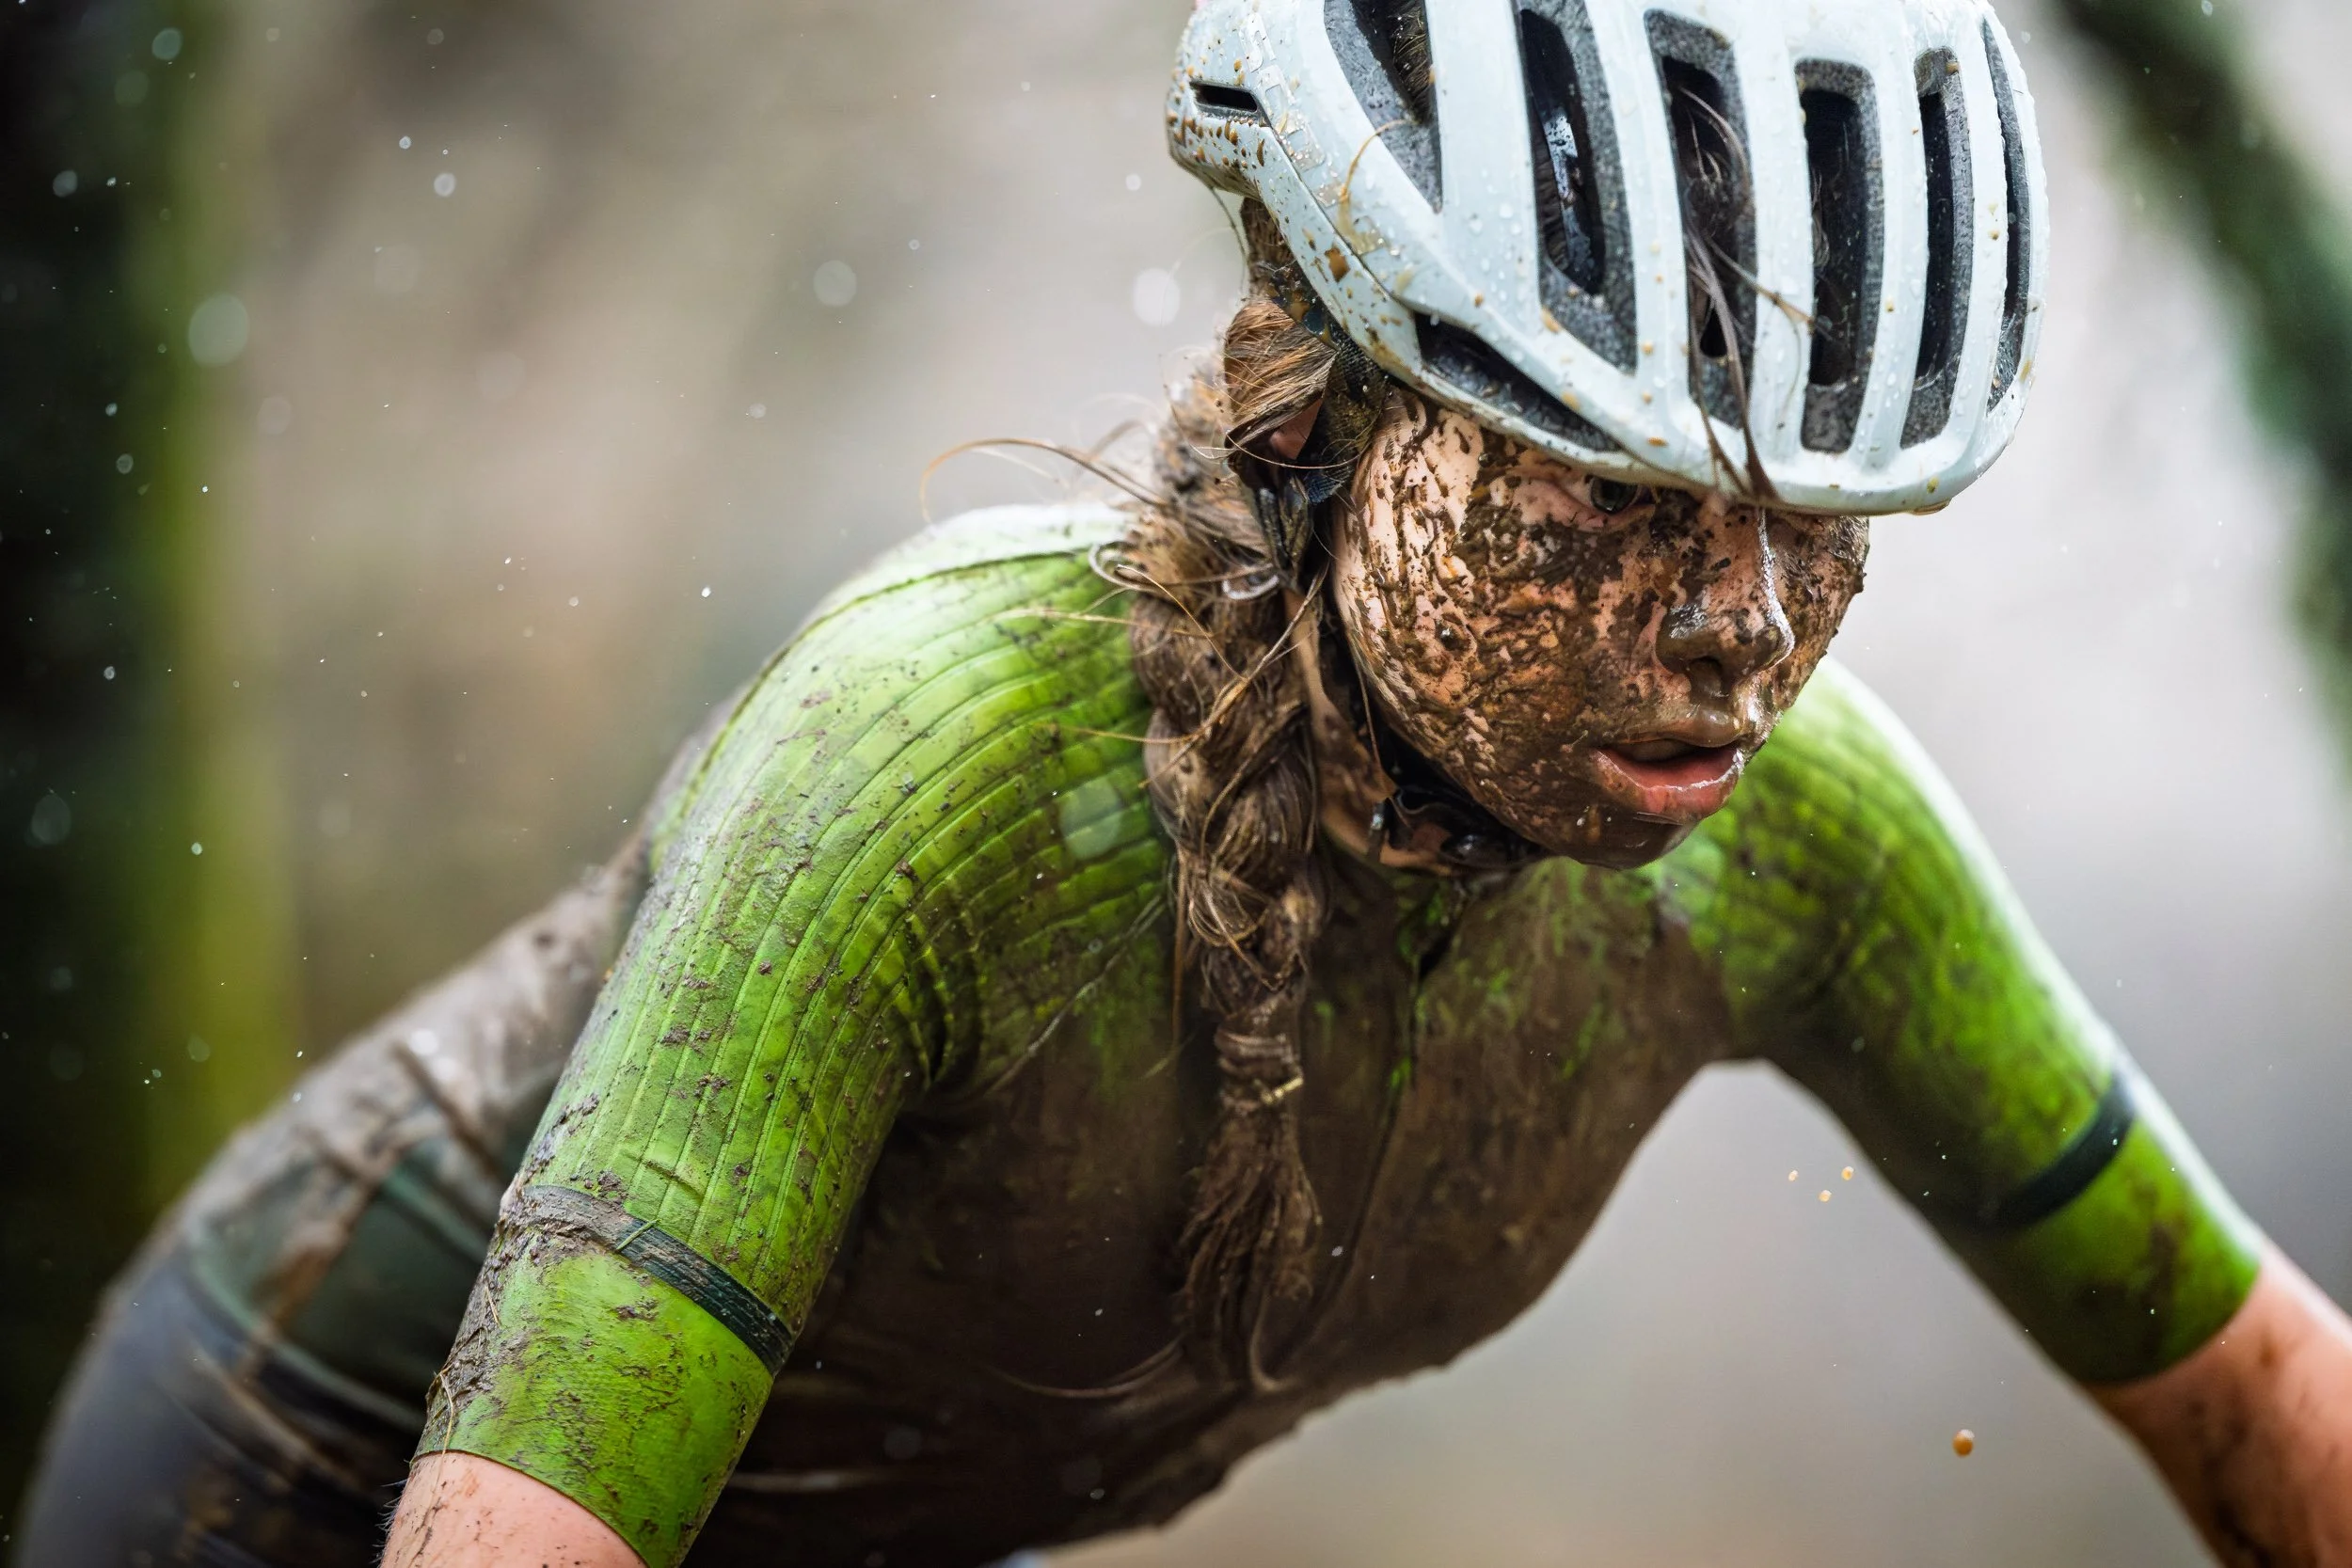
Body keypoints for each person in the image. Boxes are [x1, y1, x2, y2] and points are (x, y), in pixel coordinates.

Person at [21, 2, 2352, 1564]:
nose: (1741, 626)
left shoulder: (1806, 833)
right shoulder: (922, 757)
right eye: (1618, 499)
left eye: (1819, 525)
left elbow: (2260, 1394)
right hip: (295, 1502)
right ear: (1337, 419)